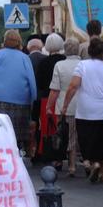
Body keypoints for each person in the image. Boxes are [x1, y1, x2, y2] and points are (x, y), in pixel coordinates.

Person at [60, 38, 103, 183]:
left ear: (89, 51)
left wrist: (65, 105)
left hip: (86, 110)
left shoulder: (82, 65)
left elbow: (73, 86)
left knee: (86, 138)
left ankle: (89, 162)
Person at [0, 30, 37, 152]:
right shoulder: (24, 58)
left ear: (4, 40)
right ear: (19, 42)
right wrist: (33, 98)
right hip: (20, 100)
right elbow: (31, 80)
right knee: (16, 135)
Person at [47, 37, 82, 176]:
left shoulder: (59, 65)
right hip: (81, 104)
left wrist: (49, 106)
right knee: (77, 135)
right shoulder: (83, 64)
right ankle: (79, 163)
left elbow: (55, 89)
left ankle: (70, 164)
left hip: (63, 105)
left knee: (65, 134)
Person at [35, 33, 66, 163]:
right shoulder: (65, 60)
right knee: (63, 127)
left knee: (48, 128)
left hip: (47, 98)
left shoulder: (43, 63)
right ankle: (64, 151)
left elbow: (40, 84)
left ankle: (49, 152)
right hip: (63, 97)